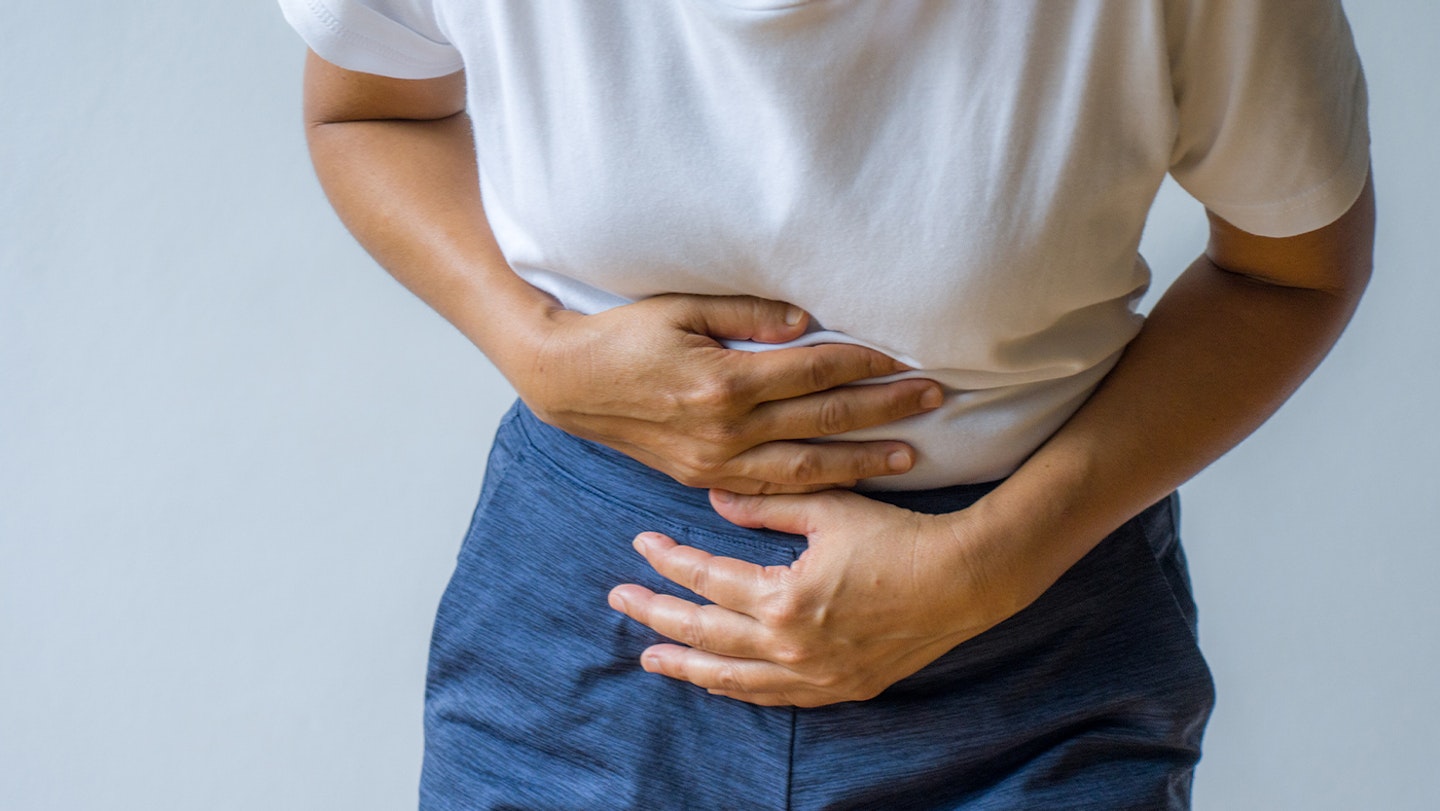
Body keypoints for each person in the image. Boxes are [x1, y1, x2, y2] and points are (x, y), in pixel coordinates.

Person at [280, 1, 1374, 807]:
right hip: (588, 629)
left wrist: (994, 560)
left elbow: (1291, 269)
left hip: (1028, 657)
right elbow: (367, 108)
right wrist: (534, 346)